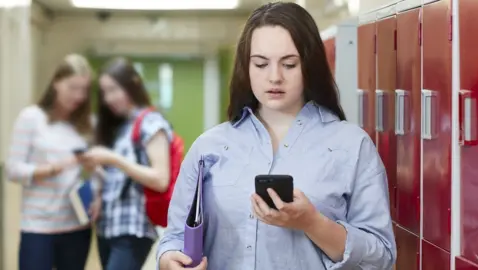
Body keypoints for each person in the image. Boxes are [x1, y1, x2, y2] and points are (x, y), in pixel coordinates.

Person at [156, 2, 396, 270]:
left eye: (289, 64)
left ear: (310, 65)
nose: (274, 77)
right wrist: (169, 261)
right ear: (245, 68)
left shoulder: (351, 146)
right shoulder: (210, 147)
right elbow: (175, 238)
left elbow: (382, 257)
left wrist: (312, 223)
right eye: (260, 64)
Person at [77, 57, 172, 270]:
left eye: (113, 89)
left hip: (133, 228)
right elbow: (117, 177)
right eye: (104, 93)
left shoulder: (151, 122)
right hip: (107, 228)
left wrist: (113, 159)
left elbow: (160, 179)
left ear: (132, 85)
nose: (109, 98)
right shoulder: (120, 127)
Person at [5, 54, 98, 270]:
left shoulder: (87, 125)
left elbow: (95, 174)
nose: (78, 95)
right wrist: (51, 169)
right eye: (72, 87)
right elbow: (12, 169)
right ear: (56, 82)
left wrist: (93, 172)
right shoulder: (31, 118)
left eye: (84, 89)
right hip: (38, 227)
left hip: (77, 226)